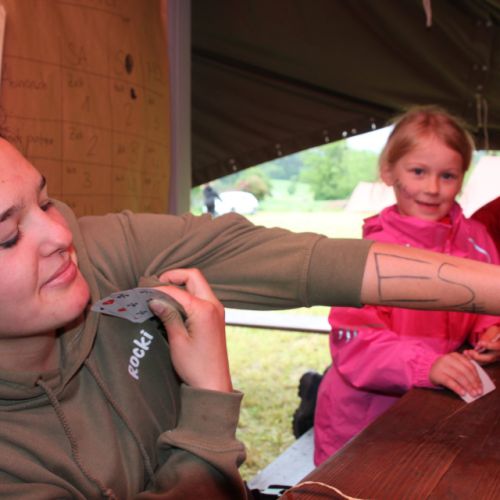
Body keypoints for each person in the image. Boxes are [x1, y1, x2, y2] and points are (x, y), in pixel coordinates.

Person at [2, 137, 500, 498]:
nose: (60, 235)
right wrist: (208, 398)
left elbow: (300, 263)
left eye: (45, 202)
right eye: (8, 236)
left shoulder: (103, 251)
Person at [314, 105, 500, 465]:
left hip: (435, 410)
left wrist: (492, 335)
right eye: (418, 172)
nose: (432, 188)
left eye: (448, 176)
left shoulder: (476, 241)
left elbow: (487, 308)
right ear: (388, 172)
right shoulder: (369, 253)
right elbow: (356, 343)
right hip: (364, 421)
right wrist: (426, 365)